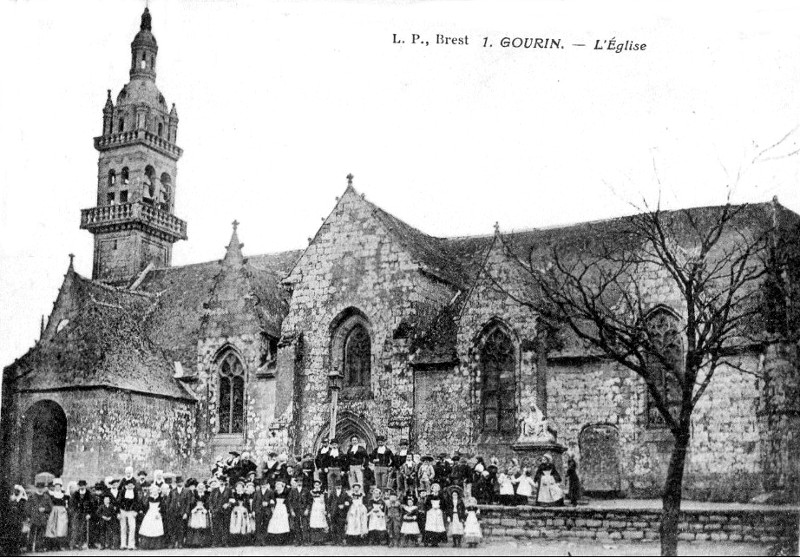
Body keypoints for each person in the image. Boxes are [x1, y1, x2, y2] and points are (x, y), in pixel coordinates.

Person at [138, 483, 166, 549]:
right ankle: (147, 545)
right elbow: (146, 507)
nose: (154, 492)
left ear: (158, 491)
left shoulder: (160, 498)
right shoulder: (149, 498)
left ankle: (156, 545)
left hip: (157, 514)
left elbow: (163, 507)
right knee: (148, 528)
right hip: (150, 514)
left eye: (155, 490)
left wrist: (159, 513)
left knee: (156, 529)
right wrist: (142, 510)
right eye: (153, 490)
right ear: (151, 491)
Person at [166, 475, 191, 548]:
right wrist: (169, 511)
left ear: (183, 483)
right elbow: (168, 502)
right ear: (176, 483)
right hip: (173, 512)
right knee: (173, 528)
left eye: (181, 482)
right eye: (178, 482)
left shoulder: (187, 491)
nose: (179, 483)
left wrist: (186, 513)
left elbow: (188, 503)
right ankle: (172, 543)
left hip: (182, 513)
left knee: (181, 528)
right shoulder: (172, 491)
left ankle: (180, 543)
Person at [27, 481, 52, 553]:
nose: (40, 489)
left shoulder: (46, 497)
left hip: (42, 518)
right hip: (34, 517)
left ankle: (39, 547)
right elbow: (28, 507)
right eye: (38, 487)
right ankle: (29, 548)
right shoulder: (32, 496)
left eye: (42, 488)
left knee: (41, 533)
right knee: (32, 533)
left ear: (44, 488)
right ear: (36, 488)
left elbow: (50, 507)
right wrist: (29, 516)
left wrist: (45, 509)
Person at [45, 478, 69, 550]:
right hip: (54, 512)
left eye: (59, 486)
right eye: (56, 486)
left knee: (61, 528)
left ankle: (60, 546)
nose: (57, 487)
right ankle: (51, 546)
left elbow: (66, 504)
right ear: (54, 487)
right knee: (52, 528)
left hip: (61, 512)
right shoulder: (52, 494)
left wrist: (65, 509)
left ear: (61, 487)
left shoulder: (64, 495)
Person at [287, 476, 312, 546]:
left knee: (305, 525)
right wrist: (291, 511)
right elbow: (289, 502)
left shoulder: (306, 490)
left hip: (304, 510)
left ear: (302, 482)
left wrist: (307, 509)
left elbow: (310, 501)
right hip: (296, 511)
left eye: (301, 481)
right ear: (296, 482)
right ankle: (298, 541)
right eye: (298, 481)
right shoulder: (293, 491)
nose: (299, 483)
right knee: (296, 526)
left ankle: (305, 541)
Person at [422, 482, 448, 547]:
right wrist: (431, 507)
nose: (435, 489)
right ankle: (428, 541)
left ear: (439, 489)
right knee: (430, 526)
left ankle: (436, 542)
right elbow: (425, 505)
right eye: (434, 488)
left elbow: (444, 505)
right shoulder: (429, 496)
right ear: (432, 489)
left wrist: (440, 507)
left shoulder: (441, 497)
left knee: (437, 527)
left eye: (437, 488)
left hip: (438, 513)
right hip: (431, 512)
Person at [208, 477, 231, 547]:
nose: (221, 482)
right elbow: (210, 501)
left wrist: (228, 504)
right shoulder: (214, 490)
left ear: (225, 482)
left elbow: (232, 499)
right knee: (216, 527)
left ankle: (225, 542)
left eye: (223, 481)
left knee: (225, 526)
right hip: (216, 511)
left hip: (225, 511)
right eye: (220, 481)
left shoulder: (228, 490)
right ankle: (215, 542)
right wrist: (212, 510)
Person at [117, 478, 139, 550]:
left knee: (132, 527)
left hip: (131, 511)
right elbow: (119, 502)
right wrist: (118, 513)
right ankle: (123, 544)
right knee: (123, 528)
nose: (130, 487)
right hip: (123, 511)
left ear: (133, 486)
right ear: (126, 486)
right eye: (128, 485)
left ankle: (131, 545)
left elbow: (137, 502)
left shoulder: (135, 492)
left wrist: (136, 511)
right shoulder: (122, 492)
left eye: (131, 485)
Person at [267, 479, 292, 544]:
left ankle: (283, 540)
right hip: (276, 508)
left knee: (283, 523)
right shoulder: (274, 493)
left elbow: (288, 502)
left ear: (282, 486)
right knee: (275, 523)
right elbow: (272, 500)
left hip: (283, 508)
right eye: (277, 485)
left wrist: (288, 511)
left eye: (279, 485)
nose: (278, 487)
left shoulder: (286, 492)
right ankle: (276, 540)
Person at [326, 480, 351, 545]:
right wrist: (329, 512)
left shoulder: (345, 493)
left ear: (341, 486)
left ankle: (341, 540)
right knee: (333, 527)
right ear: (335, 486)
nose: (338, 487)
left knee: (341, 526)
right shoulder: (332, 493)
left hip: (341, 513)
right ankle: (334, 541)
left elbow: (349, 501)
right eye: (337, 486)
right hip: (333, 512)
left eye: (339, 485)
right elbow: (328, 503)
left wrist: (344, 505)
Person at [253, 477, 273, 545]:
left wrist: (268, 503)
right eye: (262, 484)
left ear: (267, 484)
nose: (263, 485)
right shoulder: (257, 492)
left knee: (265, 525)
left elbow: (273, 502)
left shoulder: (270, 492)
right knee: (258, 525)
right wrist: (253, 511)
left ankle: (263, 540)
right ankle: (258, 541)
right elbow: (254, 502)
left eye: (265, 484)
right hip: (258, 510)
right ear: (260, 485)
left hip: (266, 511)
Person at [308, 479, 328, 545]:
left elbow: (326, 501)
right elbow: (309, 501)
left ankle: (321, 540)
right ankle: (315, 540)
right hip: (314, 508)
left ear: (320, 485)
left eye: (318, 485)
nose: (317, 486)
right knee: (314, 524)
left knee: (321, 524)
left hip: (321, 508)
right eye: (315, 485)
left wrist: (325, 510)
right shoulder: (311, 492)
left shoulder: (323, 492)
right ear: (314, 485)